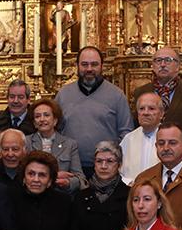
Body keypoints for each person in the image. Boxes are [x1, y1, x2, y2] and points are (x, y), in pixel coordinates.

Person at [55, 47, 135, 175]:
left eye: (94, 64)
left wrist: (113, 159)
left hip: (106, 169)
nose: (89, 69)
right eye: (84, 64)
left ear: (102, 66)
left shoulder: (117, 95)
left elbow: (126, 133)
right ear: (77, 66)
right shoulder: (63, 95)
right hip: (70, 168)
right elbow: (55, 131)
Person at [132, 47, 182, 149]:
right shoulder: (140, 92)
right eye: (158, 61)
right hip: (146, 155)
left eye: (168, 60)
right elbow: (135, 128)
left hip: (181, 158)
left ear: (178, 66)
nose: (162, 65)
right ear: (153, 66)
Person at [27, 99, 87, 193]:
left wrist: (67, 183)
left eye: (46, 115)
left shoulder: (69, 144)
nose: (42, 119)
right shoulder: (26, 142)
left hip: (60, 196)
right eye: (37, 116)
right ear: (34, 123)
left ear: (55, 120)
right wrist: (53, 175)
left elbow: (81, 179)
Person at [120, 90, 166, 184]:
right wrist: (128, 182)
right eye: (141, 109)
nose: (146, 113)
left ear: (161, 114)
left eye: (151, 108)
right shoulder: (129, 139)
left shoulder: (171, 138)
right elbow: (117, 168)